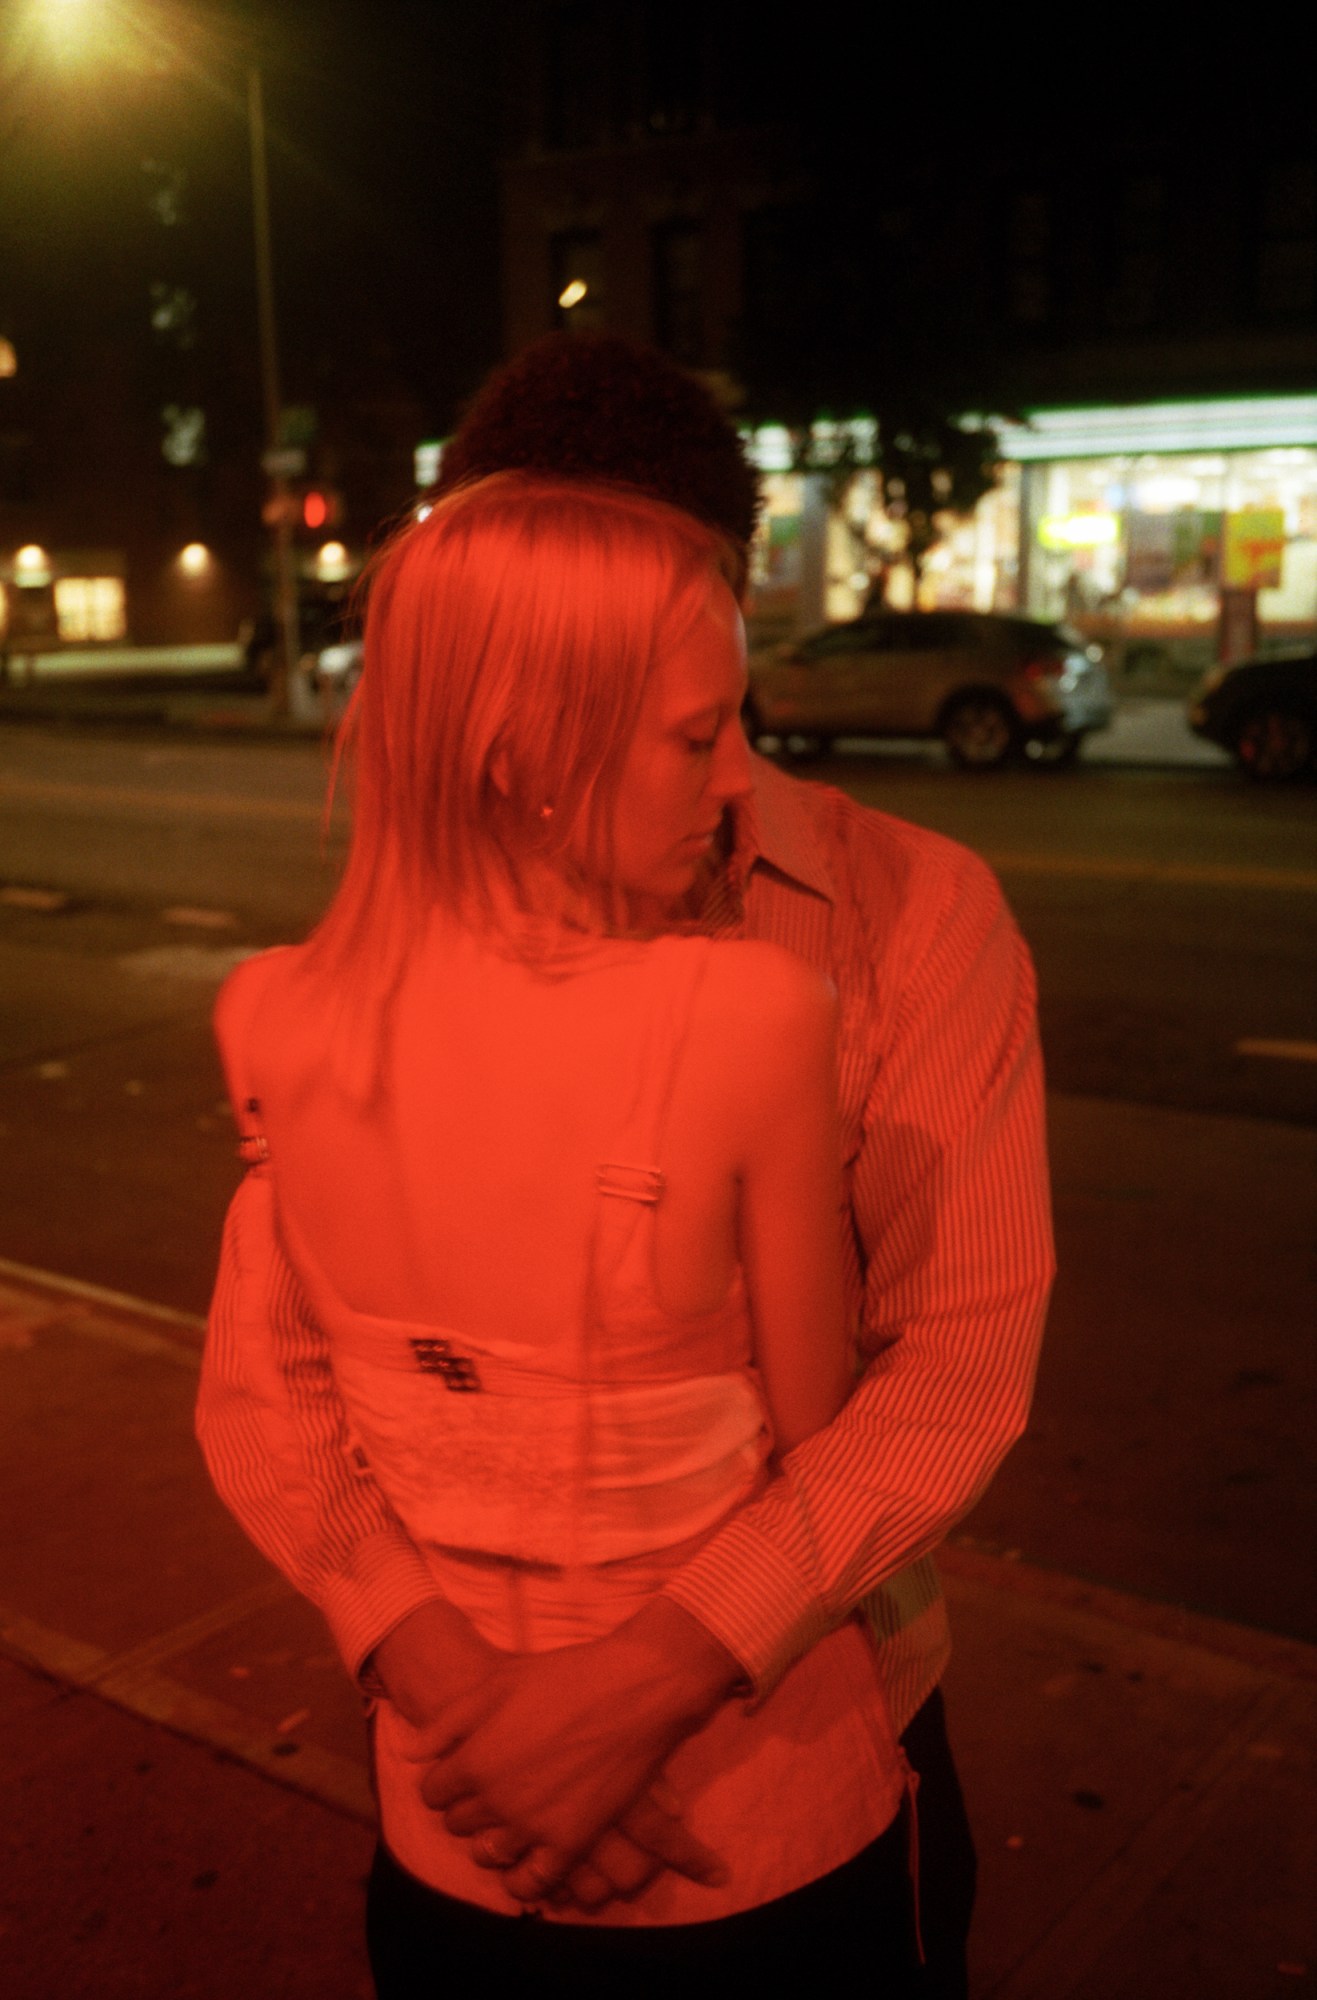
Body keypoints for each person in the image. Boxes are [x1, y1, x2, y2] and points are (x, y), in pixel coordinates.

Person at [197, 336, 1055, 1997]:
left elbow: (954, 1364)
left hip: (797, 1764)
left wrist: (639, 1686)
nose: (718, 765)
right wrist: (481, 1717)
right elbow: (272, 1380)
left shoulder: (908, 915)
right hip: (468, 1815)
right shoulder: (370, 976)